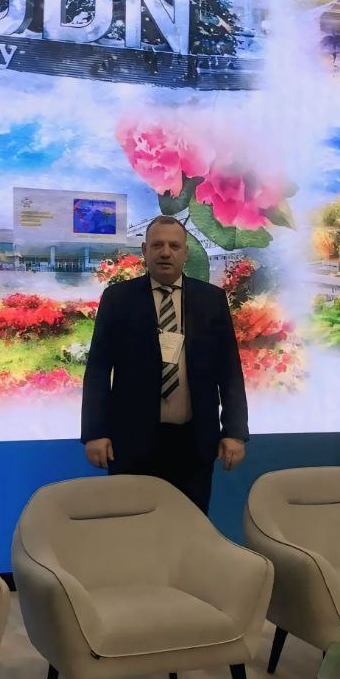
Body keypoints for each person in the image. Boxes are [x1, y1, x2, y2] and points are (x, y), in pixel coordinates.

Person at [81, 215, 248, 514]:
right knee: (133, 524)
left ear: (186, 252)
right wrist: (95, 432)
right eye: (157, 245)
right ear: (144, 250)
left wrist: (234, 431)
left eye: (174, 245)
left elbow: (229, 370)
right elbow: (98, 370)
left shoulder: (211, 300)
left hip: (194, 442)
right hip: (132, 442)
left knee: (190, 525)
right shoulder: (118, 299)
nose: (165, 252)